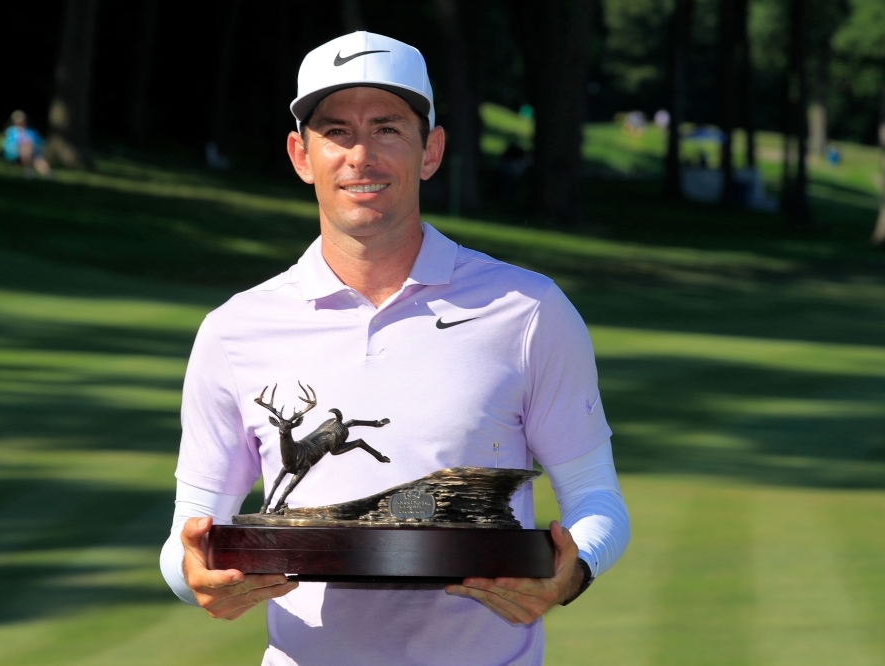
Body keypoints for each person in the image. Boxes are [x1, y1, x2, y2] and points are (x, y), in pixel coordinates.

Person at [160, 31, 630, 666]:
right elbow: (188, 533)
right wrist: (193, 580)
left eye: (387, 128)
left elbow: (597, 499)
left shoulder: (530, 310)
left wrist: (570, 574)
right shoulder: (234, 329)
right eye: (336, 132)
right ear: (302, 156)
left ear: (430, 151)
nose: (361, 155)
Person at [3, 110, 51, 178]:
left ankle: (46, 174)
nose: (21, 124)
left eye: (23, 122)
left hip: (32, 153)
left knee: (36, 157)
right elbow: (8, 145)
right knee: (27, 149)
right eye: (19, 123)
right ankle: (31, 171)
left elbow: (40, 143)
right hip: (15, 154)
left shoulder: (31, 131)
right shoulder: (11, 131)